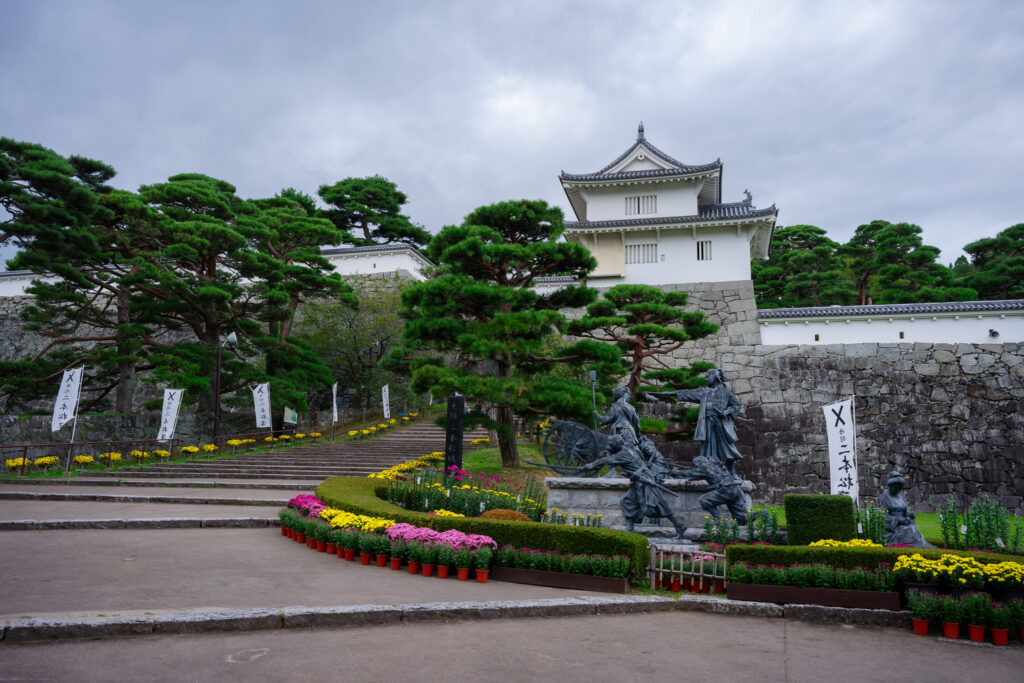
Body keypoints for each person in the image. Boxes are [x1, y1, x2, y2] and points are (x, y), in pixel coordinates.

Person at [579, 434, 687, 539]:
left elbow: (605, 461)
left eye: (611, 444)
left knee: (656, 505)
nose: (609, 446)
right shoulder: (628, 448)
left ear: (616, 445)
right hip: (638, 481)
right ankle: (629, 528)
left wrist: (587, 467)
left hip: (644, 481)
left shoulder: (623, 454)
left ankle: (679, 525)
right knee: (628, 502)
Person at [644, 369, 743, 480]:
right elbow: (686, 393)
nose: (706, 379)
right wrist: (668, 393)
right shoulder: (703, 391)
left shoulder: (726, 392)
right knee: (707, 449)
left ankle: (732, 472)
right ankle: (707, 472)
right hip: (708, 423)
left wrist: (725, 412)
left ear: (715, 377)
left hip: (721, 424)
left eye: (708, 376)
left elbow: (736, 405)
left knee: (726, 448)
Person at [879, 471, 934, 548]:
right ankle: (919, 546)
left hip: (903, 523)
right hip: (893, 527)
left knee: (913, 529)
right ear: (891, 486)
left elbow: (906, 510)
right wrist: (898, 520)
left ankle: (921, 545)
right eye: (896, 488)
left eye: (899, 488)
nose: (898, 490)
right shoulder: (884, 497)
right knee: (908, 530)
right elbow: (882, 515)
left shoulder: (900, 497)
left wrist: (909, 515)